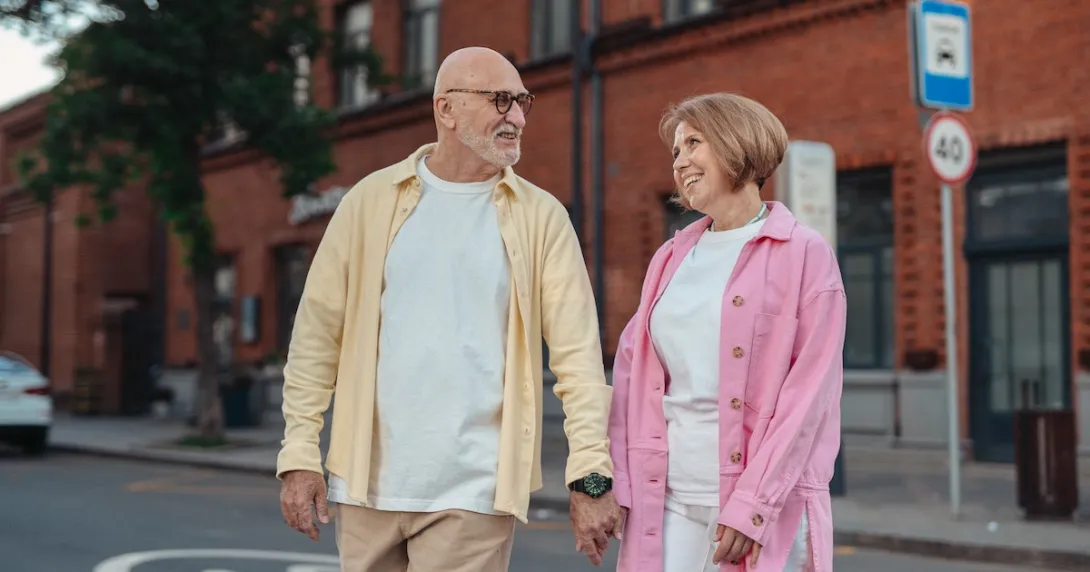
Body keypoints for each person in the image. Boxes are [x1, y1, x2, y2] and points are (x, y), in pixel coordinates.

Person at [276, 46, 623, 572]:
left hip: (475, 491)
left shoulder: (541, 218)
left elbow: (578, 359)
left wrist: (591, 479)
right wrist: (299, 454)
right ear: (447, 110)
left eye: (523, 102)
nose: (517, 117)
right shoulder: (369, 202)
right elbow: (316, 338)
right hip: (365, 488)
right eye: (501, 100)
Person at [607, 92, 846, 572]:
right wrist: (614, 484)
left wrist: (753, 505)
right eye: (675, 151)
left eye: (693, 143)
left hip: (755, 505)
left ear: (737, 144)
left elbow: (808, 397)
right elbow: (631, 381)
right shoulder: (670, 259)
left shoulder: (804, 254)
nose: (680, 162)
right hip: (667, 497)